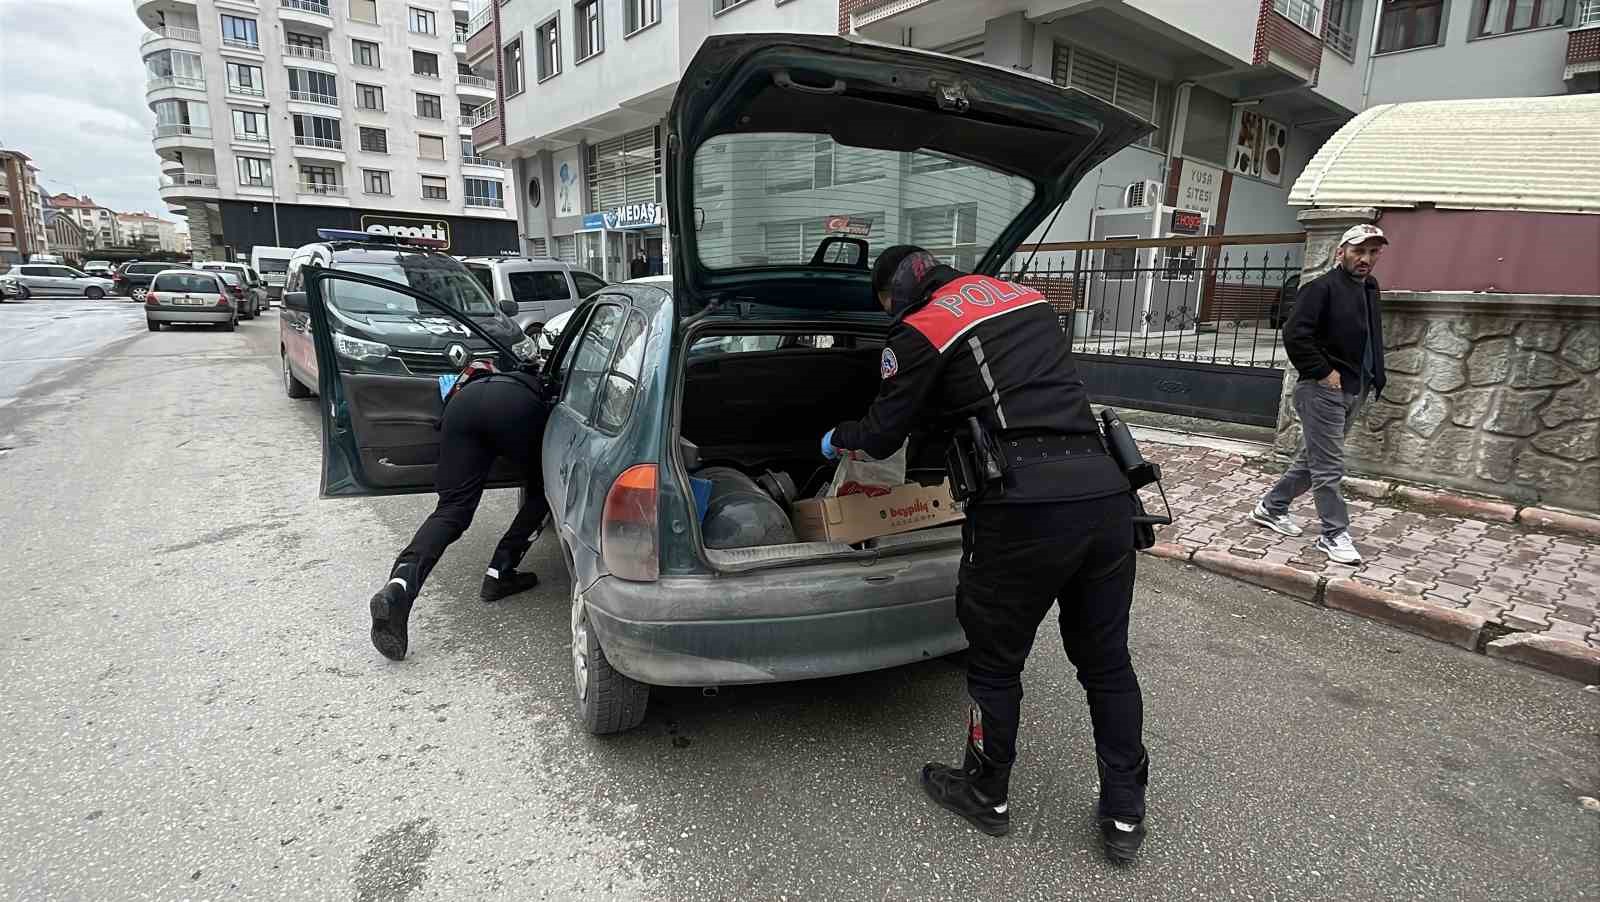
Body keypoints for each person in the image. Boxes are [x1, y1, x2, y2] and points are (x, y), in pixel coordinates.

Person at [823, 246, 1150, 862]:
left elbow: (882, 434)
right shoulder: (1028, 299)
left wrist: (837, 437)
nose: (891, 315)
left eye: (887, 305)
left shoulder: (922, 329)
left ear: (899, 294)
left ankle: (986, 791)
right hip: (1107, 493)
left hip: (1021, 508)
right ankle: (1125, 812)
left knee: (996, 663)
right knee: (1106, 663)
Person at [368, 366, 551, 661]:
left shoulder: (468, 378)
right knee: (545, 489)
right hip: (516, 405)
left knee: (452, 509)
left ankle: (399, 587)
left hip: (461, 407)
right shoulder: (527, 378)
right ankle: (500, 571)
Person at [1252, 224, 1388, 565]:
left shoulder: (1369, 287)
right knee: (1329, 467)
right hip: (1321, 390)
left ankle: (1271, 507)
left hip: (1355, 388)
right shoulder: (1320, 289)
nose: (1365, 259)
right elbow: (1295, 334)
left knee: (1311, 462)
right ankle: (1333, 534)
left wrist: (1372, 379)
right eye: (1359, 251)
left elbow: (1369, 336)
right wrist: (1326, 373)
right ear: (1340, 252)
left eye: (1373, 252)